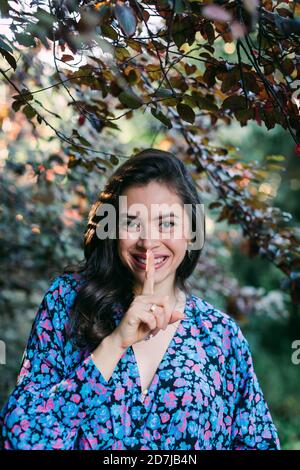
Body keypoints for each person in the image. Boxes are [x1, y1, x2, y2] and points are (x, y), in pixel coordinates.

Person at [0, 148, 280, 450]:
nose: (148, 242)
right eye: (132, 223)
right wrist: (116, 342)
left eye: (167, 223)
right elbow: (21, 439)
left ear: (191, 230)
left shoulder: (221, 335)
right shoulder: (67, 301)